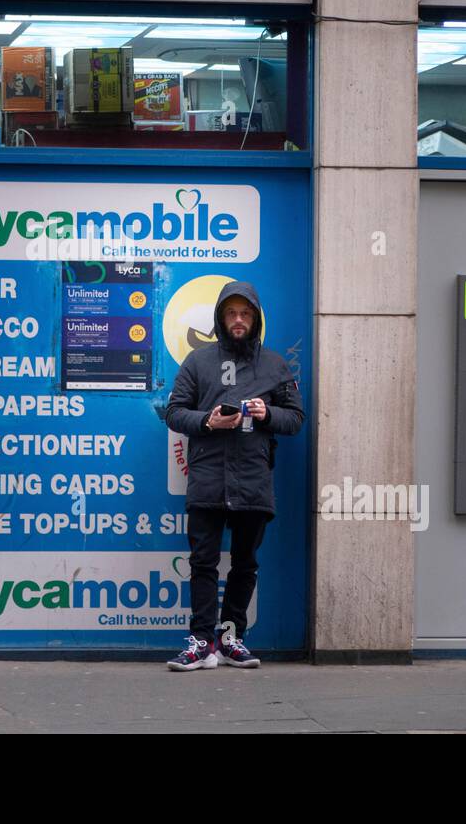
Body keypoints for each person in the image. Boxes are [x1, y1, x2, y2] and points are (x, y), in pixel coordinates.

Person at [164, 280, 304, 671]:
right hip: (208, 478)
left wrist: (267, 414)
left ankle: (230, 639)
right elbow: (175, 412)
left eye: (245, 314)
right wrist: (207, 420)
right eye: (231, 313)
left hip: (253, 480)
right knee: (203, 562)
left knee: (245, 563)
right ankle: (201, 642)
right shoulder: (198, 362)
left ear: (255, 318)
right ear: (220, 318)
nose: (238, 320)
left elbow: (295, 419)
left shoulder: (275, 365)